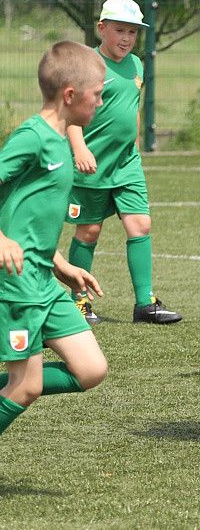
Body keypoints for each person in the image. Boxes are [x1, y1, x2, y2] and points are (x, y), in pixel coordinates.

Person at [0, 41, 109, 435]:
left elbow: (29, 217)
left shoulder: (62, 137)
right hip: (18, 282)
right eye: (97, 94)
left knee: (91, 370)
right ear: (70, 95)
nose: (100, 102)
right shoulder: (32, 137)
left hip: (44, 280)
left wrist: (61, 264)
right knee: (25, 387)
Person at [65, 0, 181, 325]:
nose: (127, 38)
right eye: (119, 30)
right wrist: (79, 149)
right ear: (102, 28)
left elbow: (133, 109)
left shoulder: (137, 65)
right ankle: (79, 301)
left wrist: (136, 145)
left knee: (140, 225)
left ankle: (145, 303)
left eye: (133, 32)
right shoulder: (87, 66)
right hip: (91, 165)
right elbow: (69, 114)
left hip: (127, 164)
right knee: (89, 231)